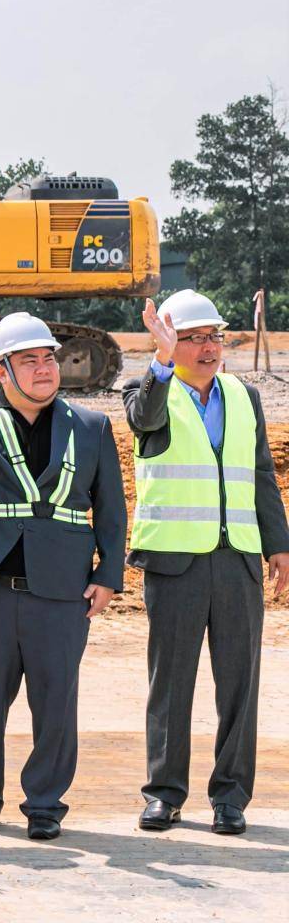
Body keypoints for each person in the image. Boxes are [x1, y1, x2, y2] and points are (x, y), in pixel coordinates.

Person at [0, 311, 126, 841]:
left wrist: (109, 573)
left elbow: (110, 508)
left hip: (61, 588)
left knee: (56, 702)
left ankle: (44, 804)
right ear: (2, 371)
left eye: (48, 359)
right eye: (28, 361)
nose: (43, 369)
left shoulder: (91, 425)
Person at [128, 291, 289, 837]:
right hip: (175, 563)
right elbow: (141, 418)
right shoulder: (151, 391)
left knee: (239, 683)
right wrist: (160, 361)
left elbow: (261, 472)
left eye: (214, 336)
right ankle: (164, 794)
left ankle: (230, 797)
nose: (207, 347)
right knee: (171, 683)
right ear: (171, 342)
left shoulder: (244, 397)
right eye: (194, 337)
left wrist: (278, 543)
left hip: (237, 560)